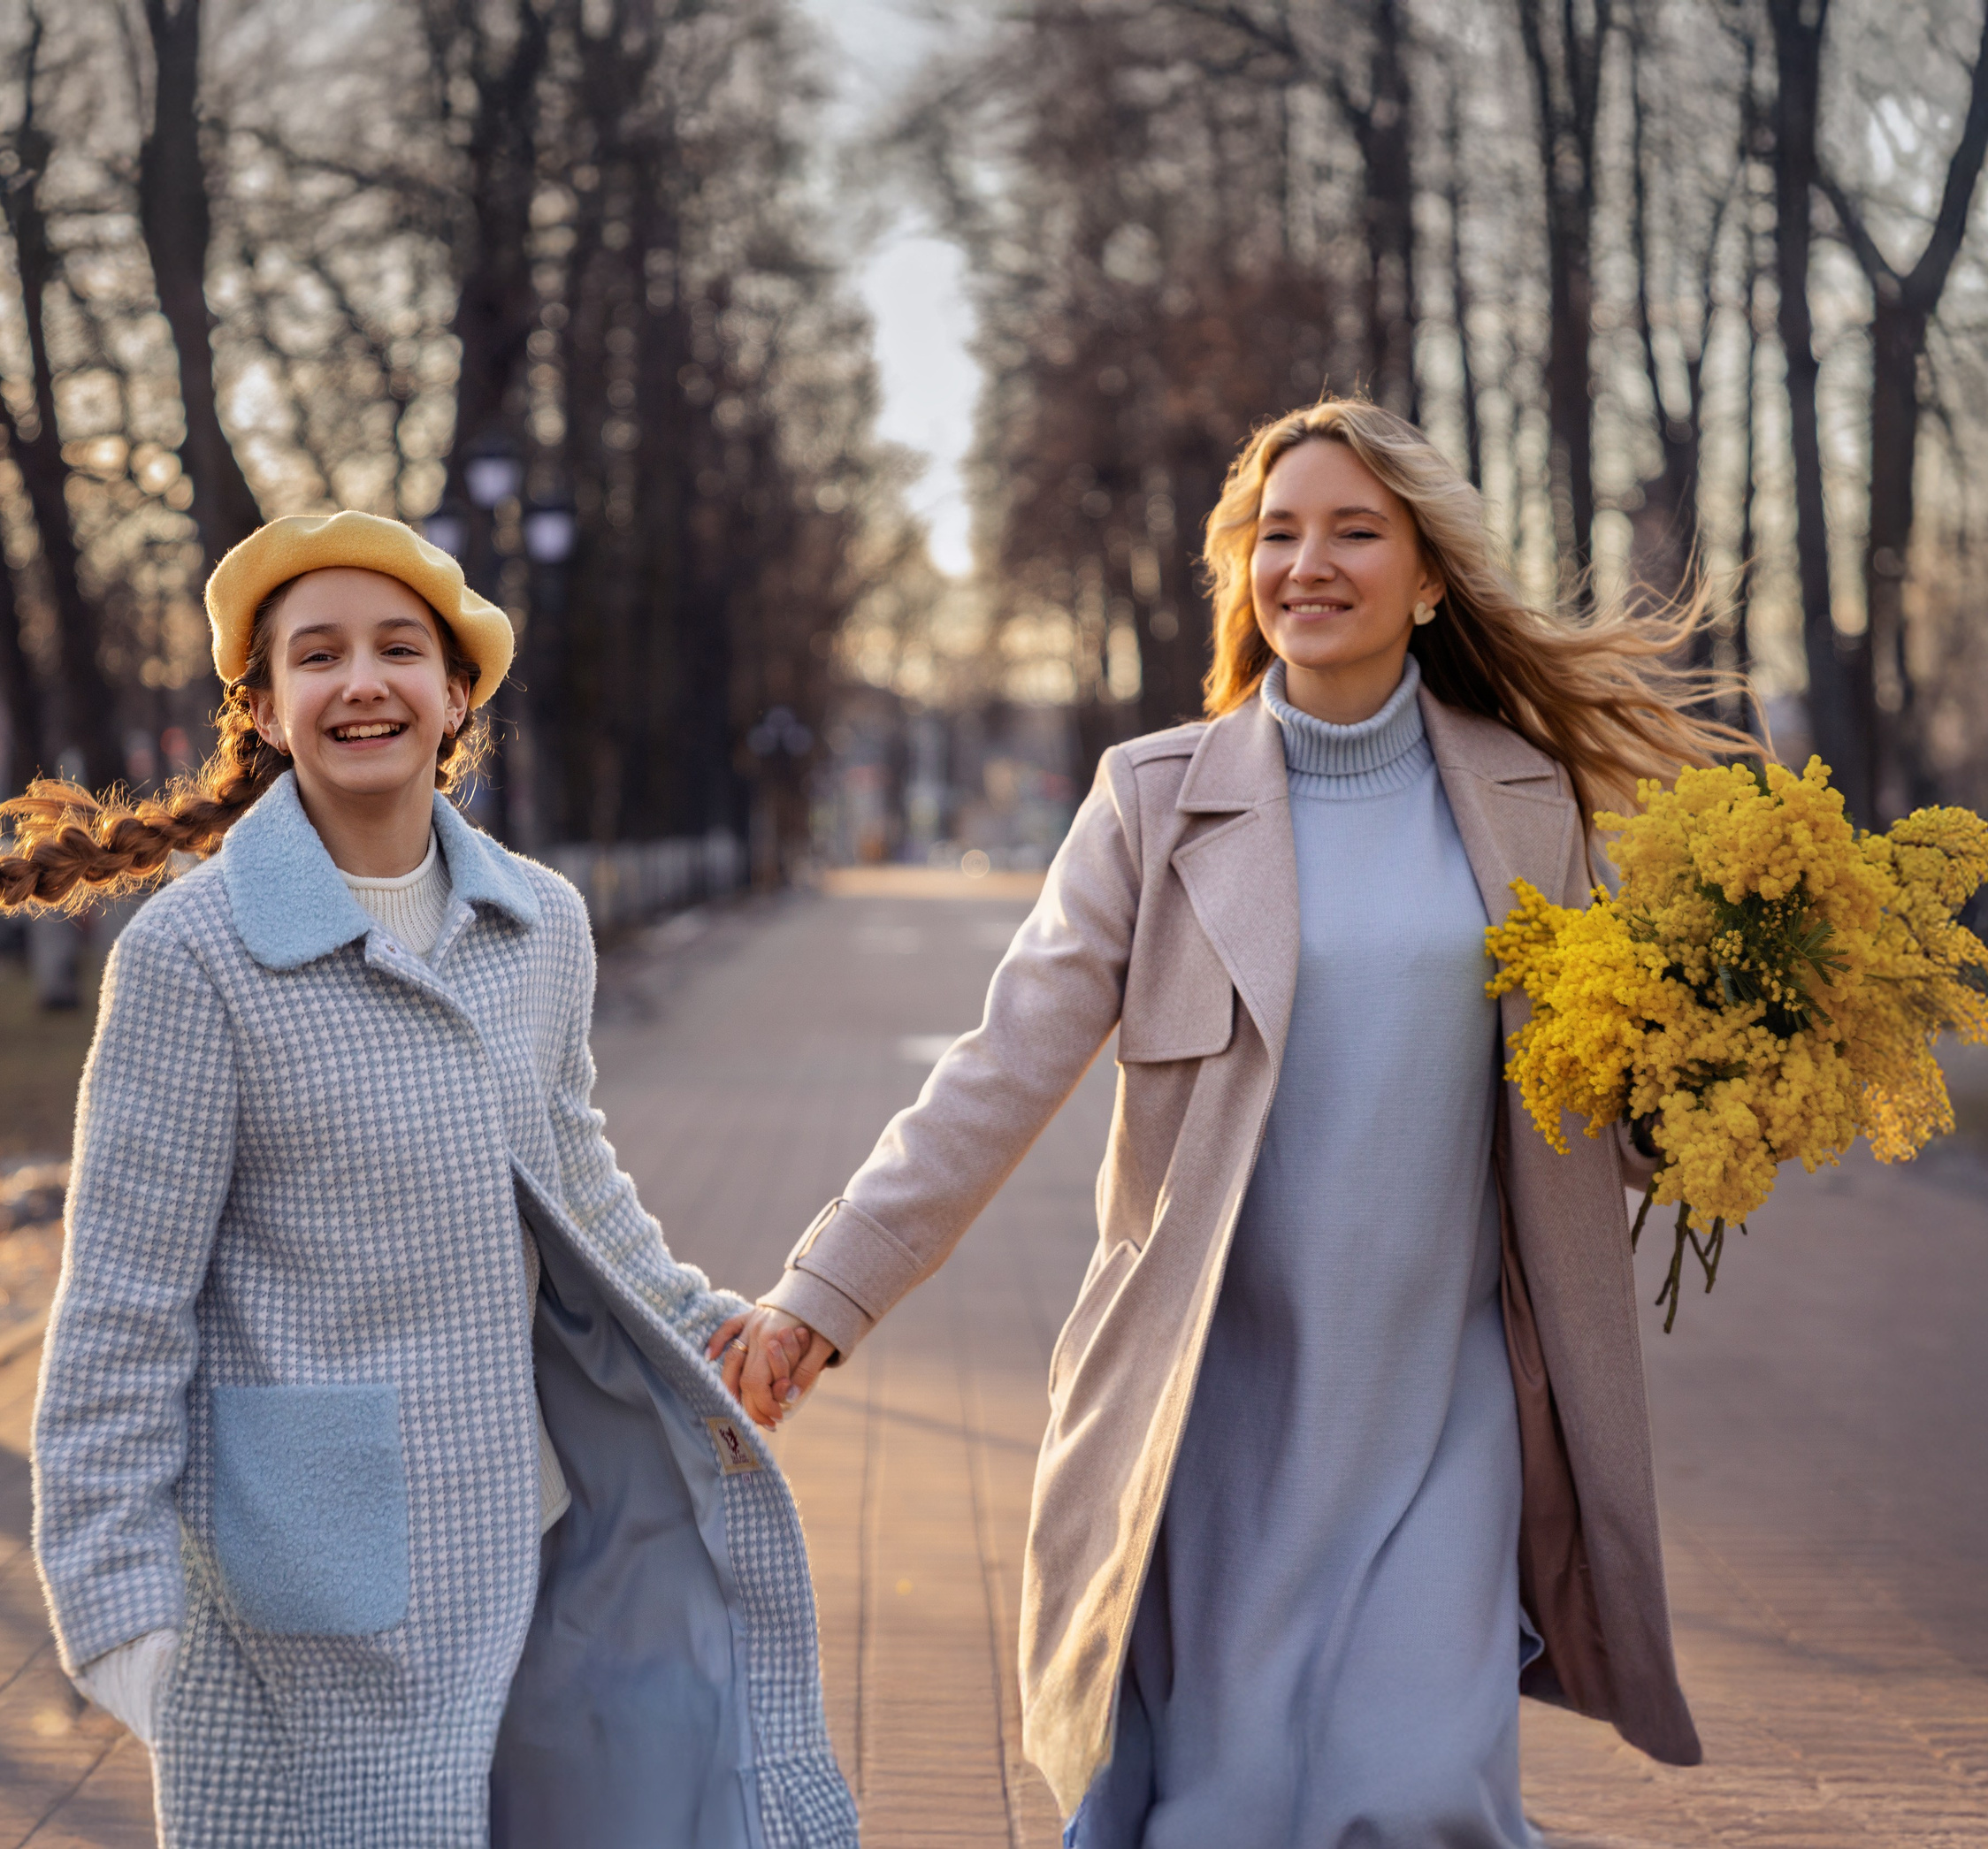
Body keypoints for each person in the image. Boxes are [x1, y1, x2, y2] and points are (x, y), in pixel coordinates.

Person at [723, 401, 1753, 1846]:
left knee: (1417, 1798)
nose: (1307, 564)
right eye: (1277, 535)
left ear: (1431, 577)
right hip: (1218, 1414)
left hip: (1448, 1407)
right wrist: (825, 1298)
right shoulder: (1153, 802)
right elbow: (1000, 1070)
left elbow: (1610, 1110)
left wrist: (1751, 1067)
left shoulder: (1530, 803)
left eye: (1353, 532)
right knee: (1227, 1811)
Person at [0, 511, 857, 1849]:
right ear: (268, 709)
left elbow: (574, 1176)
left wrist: (704, 1326)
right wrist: (118, 1605)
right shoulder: (195, 957)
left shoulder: (540, 925)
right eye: (318, 654)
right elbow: (123, 1300)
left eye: (401, 649)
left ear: (456, 694)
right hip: (303, 1607)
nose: (362, 683)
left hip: (529, 1549)